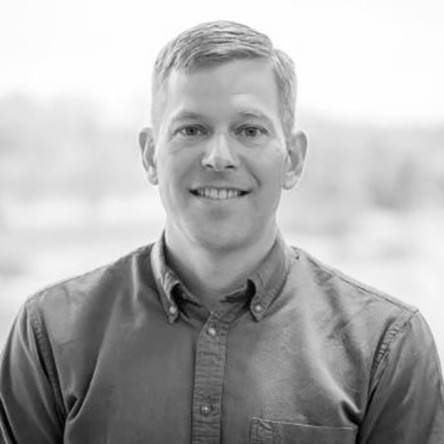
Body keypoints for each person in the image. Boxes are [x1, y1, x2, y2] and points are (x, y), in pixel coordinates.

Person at [1, 20, 443, 444]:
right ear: (151, 155)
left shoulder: (386, 346)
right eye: (191, 129)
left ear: (292, 159)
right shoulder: (50, 333)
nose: (218, 157)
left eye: (249, 130)